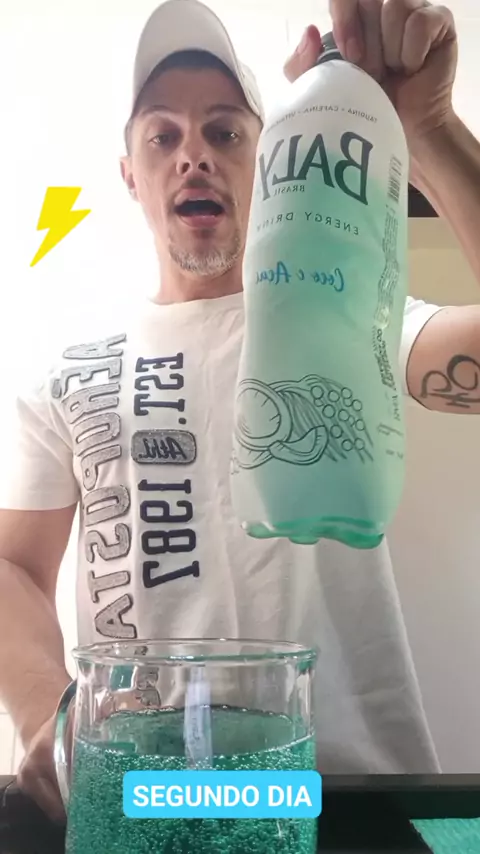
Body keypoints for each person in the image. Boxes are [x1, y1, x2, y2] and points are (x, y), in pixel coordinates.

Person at [1, 0, 480, 823]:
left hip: (351, 802)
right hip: (151, 803)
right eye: (162, 136)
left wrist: (430, 132)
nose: (194, 155)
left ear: (265, 160)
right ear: (130, 174)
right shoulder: (65, 377)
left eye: (225, 132)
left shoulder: (351, 317)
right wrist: (47, 714)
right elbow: (12, 566)